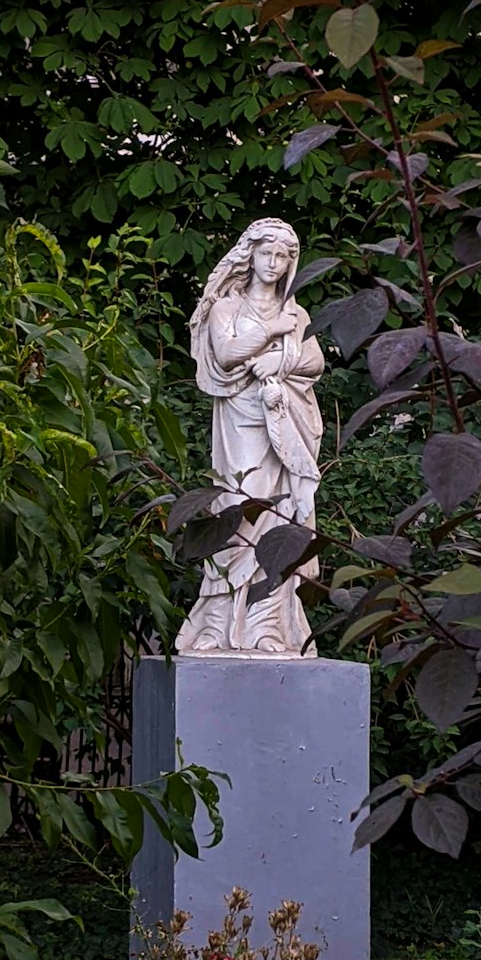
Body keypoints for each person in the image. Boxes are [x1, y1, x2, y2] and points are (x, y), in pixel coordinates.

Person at [175, 217, 325, 656]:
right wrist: (270, 333)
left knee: (281, 519)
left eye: (283, 257)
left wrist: (279, 360)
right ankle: (217, 621)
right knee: (237, 509)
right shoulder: (228, 307)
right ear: (250, 255)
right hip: (241, 421)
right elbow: (225, 353)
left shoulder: (297, 313)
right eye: (267, 253)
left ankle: (268, 626)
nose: (274, 263)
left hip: (285, 421)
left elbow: (314, 362)